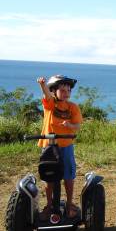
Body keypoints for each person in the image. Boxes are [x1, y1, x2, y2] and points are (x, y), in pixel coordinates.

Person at [37, 75, 83, 220]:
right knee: (49, 176)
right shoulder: (50, 104)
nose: (66, 93)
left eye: (68, 90)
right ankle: (49, 205)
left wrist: (69, 126)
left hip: (66, 146)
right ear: (53, 91)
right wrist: (43, 85)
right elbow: (47, 96)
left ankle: (69, 204)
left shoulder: (73, 107)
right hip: (49, 146)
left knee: (68, 176)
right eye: (62, 90)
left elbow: (77, 126)